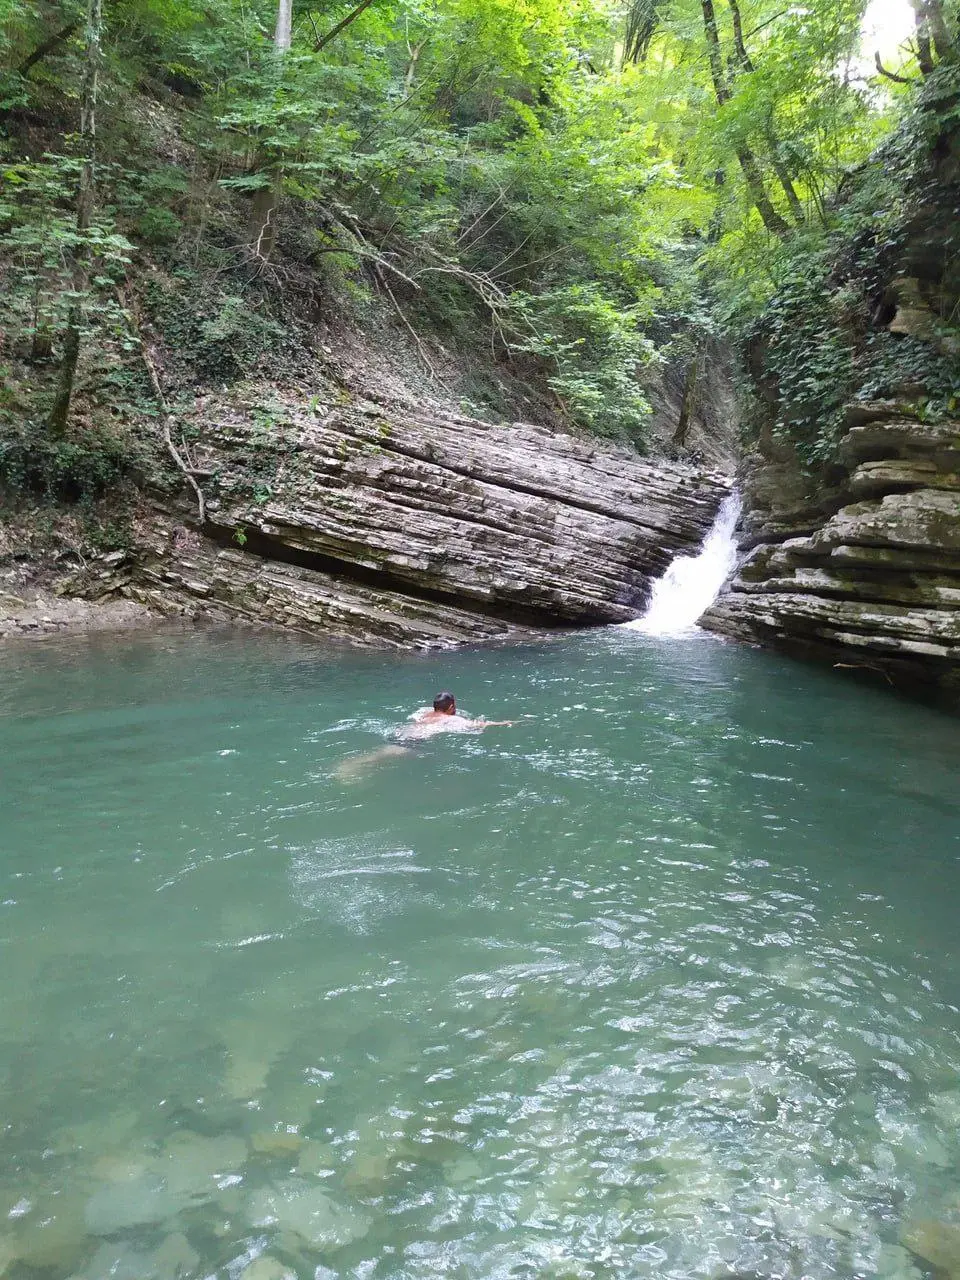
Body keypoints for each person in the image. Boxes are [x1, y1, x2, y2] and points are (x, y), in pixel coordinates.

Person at [334, 691, 513, 780]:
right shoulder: (451, 720)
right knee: (379, 757)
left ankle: (352, 767)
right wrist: (503, 723)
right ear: (451, 707)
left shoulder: (424, 712)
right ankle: (349, 769)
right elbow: (477, 725)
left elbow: (414, 717)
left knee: (381, 754)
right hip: (414, 741)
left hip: (401, 732)